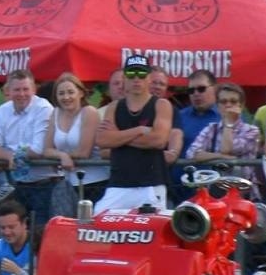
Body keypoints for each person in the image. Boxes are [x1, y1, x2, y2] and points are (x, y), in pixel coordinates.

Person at [94, 54, 172, 213]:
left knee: (151, 227)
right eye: (131, 74)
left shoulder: (161, 105)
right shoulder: (114, 107)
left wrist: (118, 136)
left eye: (142, 74)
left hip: (151, 184)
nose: (137, 79)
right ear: (124, 78)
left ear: (149, 78)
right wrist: (139, 131)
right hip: (119, 182)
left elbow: (158, 141)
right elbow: (103, 140)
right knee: (99, 216)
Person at [0, 69, 57, 228]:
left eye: (26, 89)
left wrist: (11, 154)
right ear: (9, 91)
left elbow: (38, 149)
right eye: (17, 89)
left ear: (34, 90)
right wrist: (9, 156)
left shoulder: (43, 108)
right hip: (17, 184)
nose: (22, 94)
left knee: (41, 233)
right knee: (18, 234)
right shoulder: (3, 110)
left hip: (45, 185)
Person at [44, 73, 104, 212]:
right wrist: (62, 156)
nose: (66, 97)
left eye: (71, 92)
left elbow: (84, 152)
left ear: (81, 93)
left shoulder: (89, 112)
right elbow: (46, 149)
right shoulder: (55, 113)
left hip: (94, 182)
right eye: (61, 93)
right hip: (69, 183)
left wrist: (61, 156)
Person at [170, 70, 221, 203]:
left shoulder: (227, 117)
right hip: (179, 193)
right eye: (191, 90)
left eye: (201, 89)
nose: (196, 94)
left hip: (215, 193)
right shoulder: (179, 116)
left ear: (215, 89)